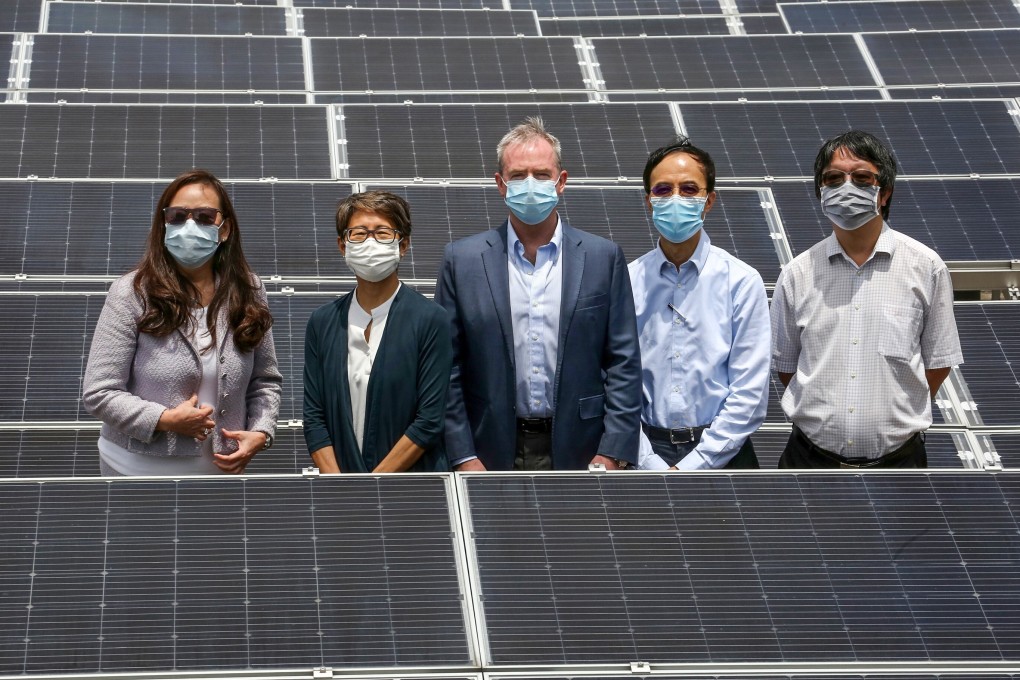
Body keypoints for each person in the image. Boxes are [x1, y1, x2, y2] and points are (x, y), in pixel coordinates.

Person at [435, 116, 641, 471]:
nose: (530, 184)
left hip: (584, 448)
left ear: (561, 182)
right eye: (517, 176)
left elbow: (623, 361)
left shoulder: (602, 257)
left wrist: (613, 450)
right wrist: (463, 455)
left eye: (542, 175)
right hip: (490, 450)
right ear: (500, 184)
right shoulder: (462, 260)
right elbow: (447, 367)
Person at [771, 130, 963, 468]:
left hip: (899, 463)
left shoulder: (926, 267)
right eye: (833, 178)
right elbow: (788, 368)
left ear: (884, 192)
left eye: (861, 177)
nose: (846, 187)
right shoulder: (797, 274)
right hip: (811, 460)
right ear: (821, 191)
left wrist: (891, 413)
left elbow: (938, 362)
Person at [83, 169, 282, 476]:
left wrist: (261, 432)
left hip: (222, 473)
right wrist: (164, 419)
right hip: (132, 470)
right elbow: (100, 392)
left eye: (204, 216)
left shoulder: (249, 291)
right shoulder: (131, 292)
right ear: (164, 224)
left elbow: (264, 381)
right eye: (177, 216)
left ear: (224, 228)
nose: (190, 226)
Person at [629, 137, 770, 470]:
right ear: (649, 201)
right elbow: (614, 383)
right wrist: (647, 460)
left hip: (726, 457)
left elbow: (749, 391)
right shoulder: (626, 281)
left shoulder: (741, 281)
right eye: (663, 190)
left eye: (689, 189)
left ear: (709, 201)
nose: (676, 198)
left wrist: (697, 464)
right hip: (644, 456)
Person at [303, 191, 451, 473]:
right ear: (342, 245)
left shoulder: (431, 319)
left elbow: (429, 421)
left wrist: (372, 487)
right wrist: (340, 485)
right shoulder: (322, 322)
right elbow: (314, 417)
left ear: (403, 244)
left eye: (383, 233)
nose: (370, 242)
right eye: (358, 234)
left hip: (413, 491)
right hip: (341, 489)